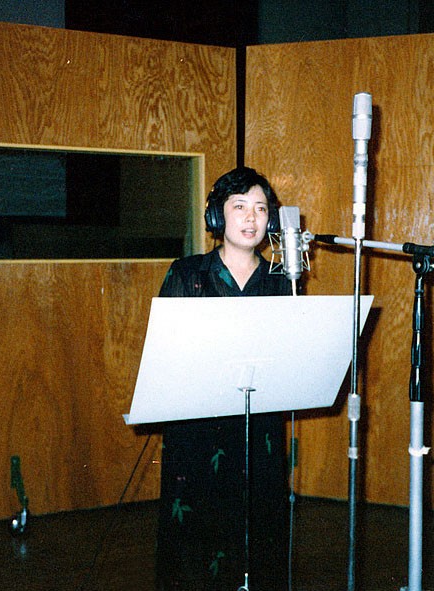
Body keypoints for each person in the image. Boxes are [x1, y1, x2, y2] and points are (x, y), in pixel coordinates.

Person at [155, 166, 292, 591]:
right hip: (198, 432)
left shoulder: (282, 281)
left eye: (261, 209)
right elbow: (165, 357)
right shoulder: (187, 274)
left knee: (258, 533)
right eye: (239, 207)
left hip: (258, 433)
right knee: (195, 545)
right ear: (217, 216)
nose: (251, 218)